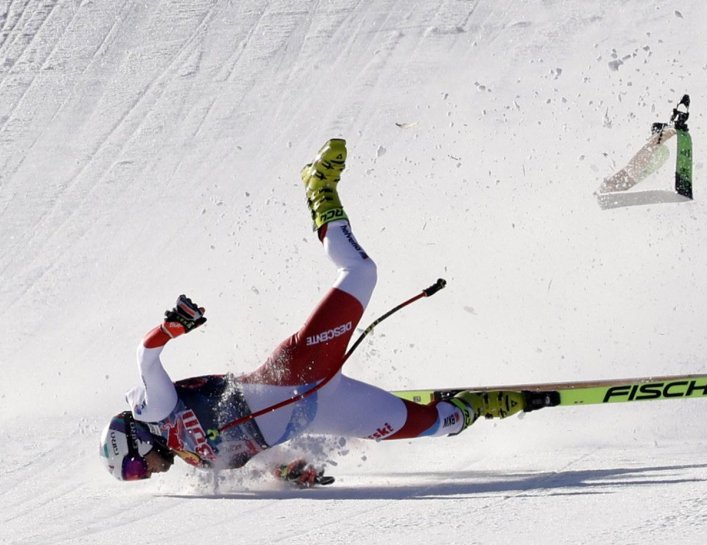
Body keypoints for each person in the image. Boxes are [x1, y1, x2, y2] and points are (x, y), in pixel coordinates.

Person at [100, 139, 526, 485]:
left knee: (360, 271)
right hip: (324, 409)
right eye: (138, 478)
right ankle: (479, 406)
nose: (147, 474)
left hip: (299, 370)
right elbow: (255, 452)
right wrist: (288, 472)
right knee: (437, 425)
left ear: (135, 441)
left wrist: (171, 328)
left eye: (137, 468)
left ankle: (318, 190)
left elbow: (145, 355)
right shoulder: (196, 461)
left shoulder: (154, 411)